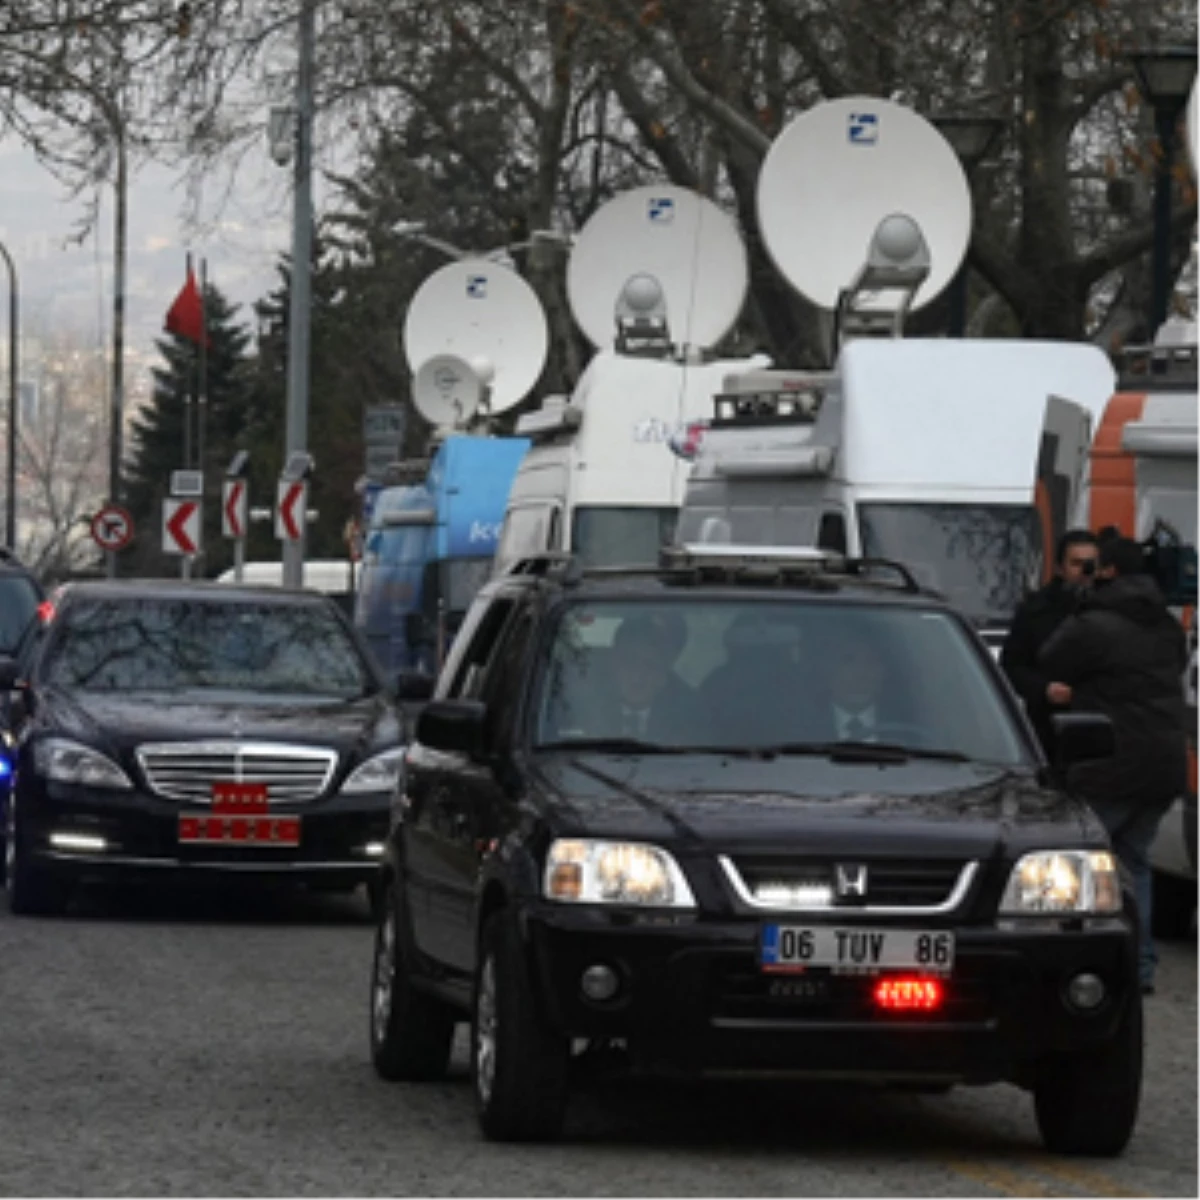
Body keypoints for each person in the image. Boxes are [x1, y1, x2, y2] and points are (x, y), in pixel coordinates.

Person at [1040, 536, 1188, 995]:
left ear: (1106, 574)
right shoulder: (1167, 626)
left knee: (1077, 866)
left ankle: (1071, 963)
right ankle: (1140, 966)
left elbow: (1051, 658)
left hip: (1108, 763)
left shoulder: (1092, 624)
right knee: (1135, 864)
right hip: (1162, 764)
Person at [1000, 529, 1099, 758]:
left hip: (1100, 724)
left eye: (1090, 564)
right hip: (1049, 728)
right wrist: (1044, 689)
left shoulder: (1111, 609)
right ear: (1059, 567)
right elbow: (1012, 666)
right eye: (1076, 563)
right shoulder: (1035, 612)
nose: (1084, 572)